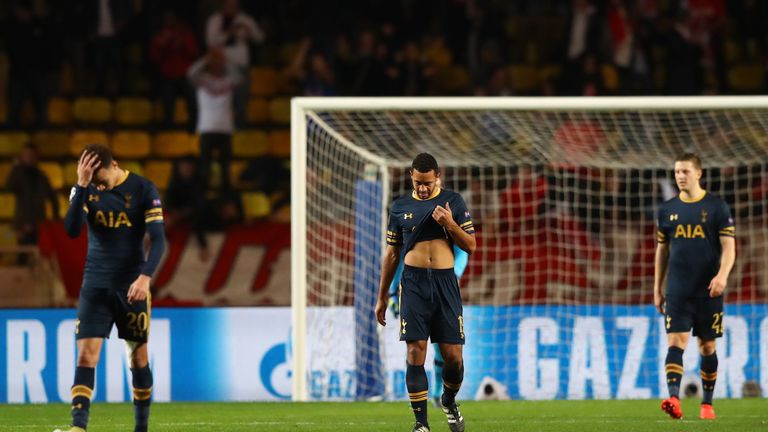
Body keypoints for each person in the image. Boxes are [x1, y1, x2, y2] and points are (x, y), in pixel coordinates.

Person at [55, 144, 166, 432]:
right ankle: (78, 427)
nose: (99, 187)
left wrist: (145, 277)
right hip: (95, 284)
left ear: (114, 164)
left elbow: (158, 239)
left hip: (131, 286)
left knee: (138, 357)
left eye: (101, 180)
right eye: (93, 182)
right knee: (85, 356)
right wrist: (81, 185)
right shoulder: (85, 189)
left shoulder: (143, 189)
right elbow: (71, 230)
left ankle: (141, 428)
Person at [375, 153, 476, 432]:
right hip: (413, 284)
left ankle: (448, 400)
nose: (422, 188)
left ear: (438, 176)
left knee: (454, 358)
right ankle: (421, 424)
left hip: (445, 284)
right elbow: (392, 254)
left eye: (428, 183)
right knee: (414, 350)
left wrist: (450, 224)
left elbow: (471, 246)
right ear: (411, 176)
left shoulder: (453, 202)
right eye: (418, 182)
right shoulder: (399, 207)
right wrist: (382, 296)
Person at [654, 153, 735, 420]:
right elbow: (662, 249)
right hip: (677, 289)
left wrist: (722, 275)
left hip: (708, 290)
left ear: (698, 174)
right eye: (677, 171)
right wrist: (657, 287)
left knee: (707, 346)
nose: (680, 176)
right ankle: (674, 399)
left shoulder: (716, 207)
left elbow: (729, 247)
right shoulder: (666, 210)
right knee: (676, 343)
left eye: (685, 171)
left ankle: (707, 404)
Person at [188, 48, 242, 193]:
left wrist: (225, 59)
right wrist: (207, 58)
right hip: (206, 128)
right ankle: (203, 196)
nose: (216, 65)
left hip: (225, 129)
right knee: (205, 167)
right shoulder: (202, 79)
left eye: (219, 63)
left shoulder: (228, 79)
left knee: (225, 168)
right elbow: (191, 73)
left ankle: (225, 197)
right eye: (214, 63)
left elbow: (239, 77)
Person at [6, 144, 59, 259]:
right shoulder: (18, 174)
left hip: (39, 223)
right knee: (23, 257)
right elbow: (9, 188)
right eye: (26, 156)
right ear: (22, 157)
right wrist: (15, 168)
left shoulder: (42, 176)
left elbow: (52, 198)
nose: (29, 158)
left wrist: (55, 218)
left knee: (40, 257)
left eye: (32, 155)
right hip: (22, 224)